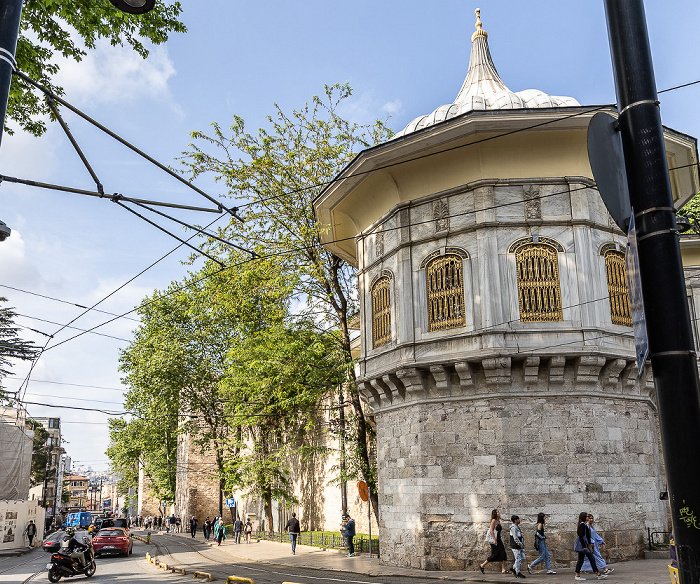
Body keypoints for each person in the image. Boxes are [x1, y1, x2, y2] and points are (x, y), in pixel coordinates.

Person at [575, 511, 607, 581]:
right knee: (589, 559)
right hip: (583, 546)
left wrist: (589, 544)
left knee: (584, 560)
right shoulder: (582, 525)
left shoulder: (584, 525)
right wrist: (584, 546)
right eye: (587, 516)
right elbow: (581, 536)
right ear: (584, 517)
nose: (588, 518)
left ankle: (596, 574)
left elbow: (588, 536)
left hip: (586, 546)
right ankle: (597, 574)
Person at [480, 509, 508, 574]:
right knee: (494, 555)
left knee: (503, 553)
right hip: (494, 540)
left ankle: (503, 569)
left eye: (498, 512)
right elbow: (491, 531)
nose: (498, 513)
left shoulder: (498, 521)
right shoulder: (493, 521)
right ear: (494, 514)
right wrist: (494, 540)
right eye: (497, 512)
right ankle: (482, 565)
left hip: (499, 539)